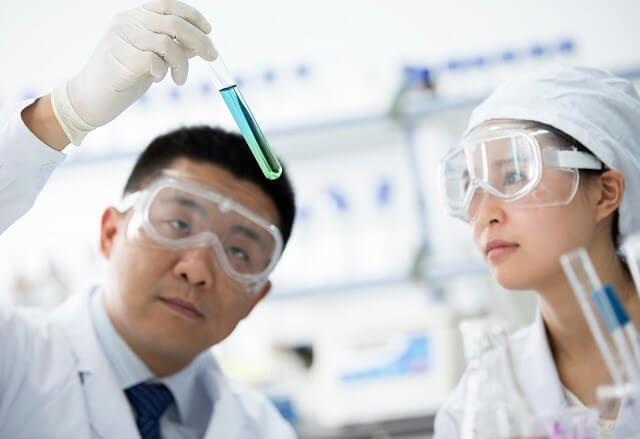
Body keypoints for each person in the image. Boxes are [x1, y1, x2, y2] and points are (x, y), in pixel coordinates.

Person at [0, 1, 297, 437]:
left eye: (238, 250)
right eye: (177, 224)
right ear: (110, 232)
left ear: (256, 297)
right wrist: (60, 114)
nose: (196, 269)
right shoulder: (14, 360)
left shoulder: (263, 430)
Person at [434, 65, 640, 438]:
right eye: (470, 186)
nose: (485, 214)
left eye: (514, 176)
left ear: (606, 192)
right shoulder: (474, 408)